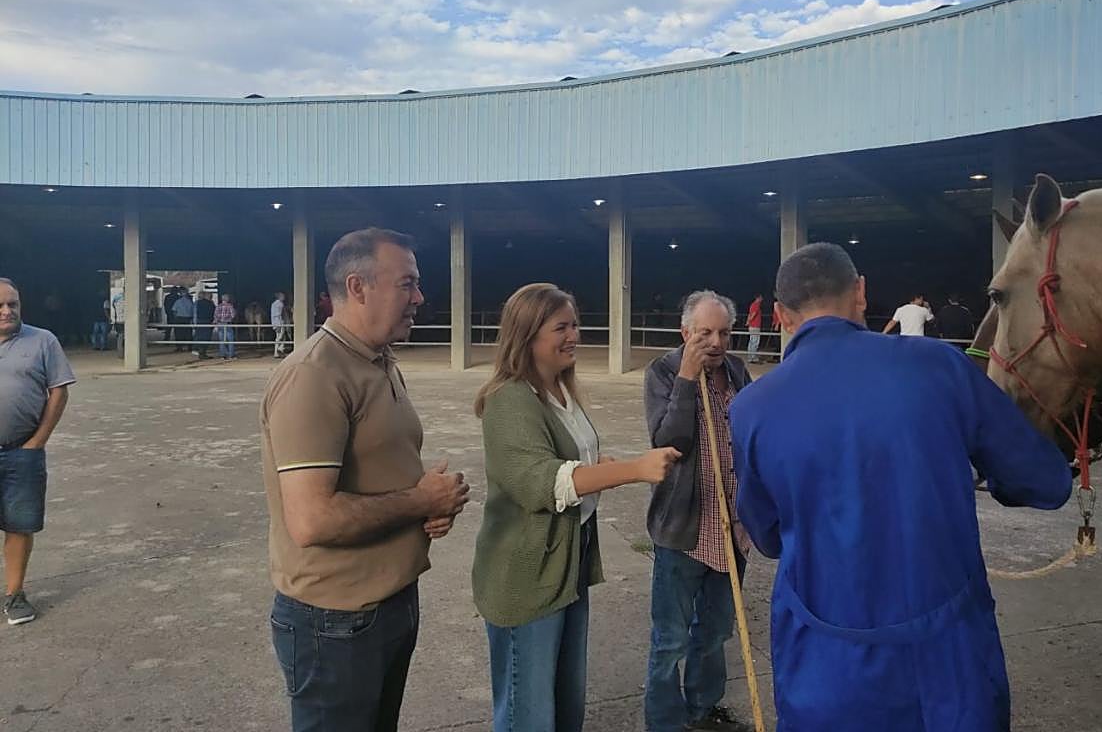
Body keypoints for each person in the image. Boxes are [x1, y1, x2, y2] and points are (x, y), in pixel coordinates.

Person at [729, 243, 1073, 731]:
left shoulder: (751, 407)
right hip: (946, 669)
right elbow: (1043, 482)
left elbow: (765, 535)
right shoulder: (939, 366)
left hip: (823, 670)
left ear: (781, 316)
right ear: (862, 293)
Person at [261, 228, 470, 732]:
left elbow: (377, 467)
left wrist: (430, 503)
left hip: (388, 602)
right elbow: (311, 519)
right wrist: (417, 500)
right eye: (407, 284)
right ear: (358, 288)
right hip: (335, 621)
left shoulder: (378, 360)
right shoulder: (314, 375)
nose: (419, 297)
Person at [472, 282, 681, 732]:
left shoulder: (561, 393)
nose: (574, 336)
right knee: (527, 711)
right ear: (527, 335)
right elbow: (541, 483)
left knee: (565, 700)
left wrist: (597, 466)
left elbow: (569, 463)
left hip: (567, 564)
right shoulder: (510, 400)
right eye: (561, 327)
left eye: (576, 325)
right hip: (526, 577)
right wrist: (632, 469)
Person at [643, 290, 754, 732]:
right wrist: (688, 379)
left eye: (724, 332)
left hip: (734, 529)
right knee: (669, 640)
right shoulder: (663, 372)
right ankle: (666, 723)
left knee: (715, 633)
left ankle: (703, 710)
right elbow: (669, 443)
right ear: (685, 332)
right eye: (704, 332)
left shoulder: (737, 371)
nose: (715, 341)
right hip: (684, 528)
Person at [0, 278, 76, 626]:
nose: (7, 311)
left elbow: (58, 392)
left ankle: (15, 594)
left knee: (19, 525)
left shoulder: (42, 340)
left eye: (12, 304)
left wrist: (37, 441)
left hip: (22, 452)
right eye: (0, 305)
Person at [214, 293, 238, 360]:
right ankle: (231, 355)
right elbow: (233, 315)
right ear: (227, 299)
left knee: (221, 340)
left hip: (220, 324)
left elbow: (215, 316)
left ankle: (222, 355)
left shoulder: (218, 306)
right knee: (230, 340)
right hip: (227, 324)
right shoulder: (230, 306)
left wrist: (217, 321)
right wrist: (228, 318)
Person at [192, 292, 215, 359]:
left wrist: (194, 322)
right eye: (211, 296)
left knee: (199, 336)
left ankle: (199, 351)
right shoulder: (211, 304)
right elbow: (213, 313)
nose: (211, 297)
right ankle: (202, 352)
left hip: (199, 321)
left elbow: (195, 313)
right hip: (207, 322)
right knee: (206, 338)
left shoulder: (197, 303)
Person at [172, 289, 195, 354]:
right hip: (188, 319)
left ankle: (179, 347)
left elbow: (174, 311)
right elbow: (193, 311)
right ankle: (189, 347)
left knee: (179, 333)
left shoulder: (177, 302)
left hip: (179, 319)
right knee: (188, 333)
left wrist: (175, 317)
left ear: (181, 294)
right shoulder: (190, 302)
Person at [744, 293, 763, 363]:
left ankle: (750, 357)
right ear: (758, 298)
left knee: (751, 341)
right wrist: (749, 321)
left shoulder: (752, 305)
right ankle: (753, 357)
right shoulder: (756, 305)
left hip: (751, 326)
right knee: (755, 341)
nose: (762, 299)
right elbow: (753, 314)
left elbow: (749, 314)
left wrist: (747, 322)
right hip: (755, 326)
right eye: (761, 297)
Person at [270, 292, 288, 359]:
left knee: (280, 337)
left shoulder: (273, 304)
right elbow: (280, 314)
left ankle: (279, 351)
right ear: (280, 297)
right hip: (279, 322)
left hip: (275, 322)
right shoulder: (280, 304)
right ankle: (278, 351)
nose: (284, 297)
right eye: (283, 296)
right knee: (279, 337)